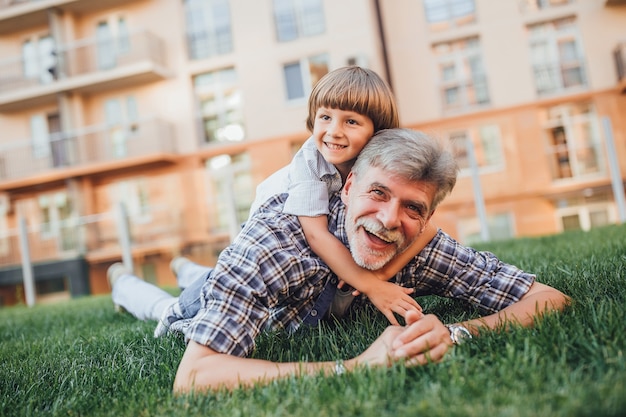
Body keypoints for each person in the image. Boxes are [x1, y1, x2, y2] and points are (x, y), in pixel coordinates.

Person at [109, 128, 569, 393]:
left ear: (427, 216)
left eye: (413, 208)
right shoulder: (276, 242)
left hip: (243, 278)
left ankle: (190, 267)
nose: (390, 220)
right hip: (204, 304)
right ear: (346, 188)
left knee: (206, 274)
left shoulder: (420, 246)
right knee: (165, 307)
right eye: (378, 192)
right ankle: (124, 283)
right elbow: (193, 377)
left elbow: (549, 299)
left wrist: (453, 332)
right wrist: (355, 367)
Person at [248, 65, 421, 324]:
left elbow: (427, 227)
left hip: (315, 240)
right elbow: (316, 235)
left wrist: (382, 275)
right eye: (325, 117)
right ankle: (176, 300)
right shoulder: (310, 161)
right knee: (205, 292)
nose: (334, 131)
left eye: (351, 121)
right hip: (265, 240)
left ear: (378, 131)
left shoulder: (382, 162)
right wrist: (371, 286)